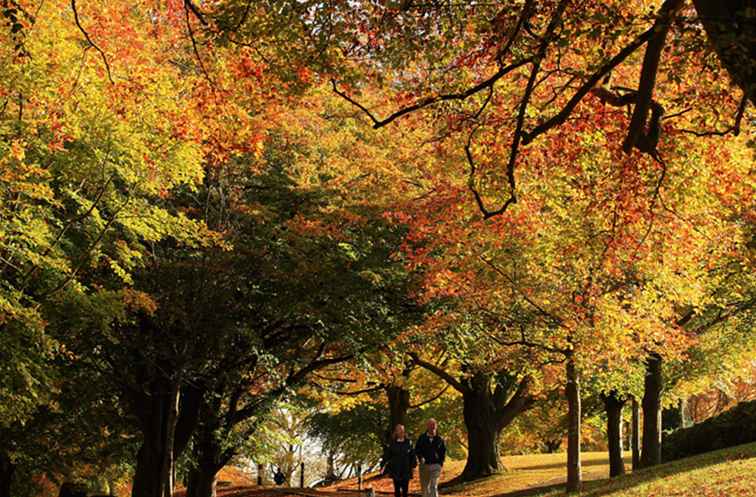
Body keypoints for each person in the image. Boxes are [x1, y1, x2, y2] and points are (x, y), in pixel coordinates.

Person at [381, 424, 417, 497]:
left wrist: (413, 466)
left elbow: (412, 455)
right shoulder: (392, 443)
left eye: (401, 430)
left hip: (406, 470)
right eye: (398, 430)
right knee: (397, 491)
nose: (400, 432)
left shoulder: (408, 443)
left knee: (405, 491)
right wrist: (383, 467)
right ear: (396, 432)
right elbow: (387, 456)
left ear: (404, 431)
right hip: (396, 470)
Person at [415, 419, 445, 497]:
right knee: (425, 488)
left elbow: (443, 452)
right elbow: (417, 449)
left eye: (434, 426)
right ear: (427, 426)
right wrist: (420, 457)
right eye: (431, 425)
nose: (432, 428)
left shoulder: (439, 439)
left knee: (433, 486)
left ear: (436, 427)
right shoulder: (422, 438)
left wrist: (440, 463)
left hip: (436, 466)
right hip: (424, 466)